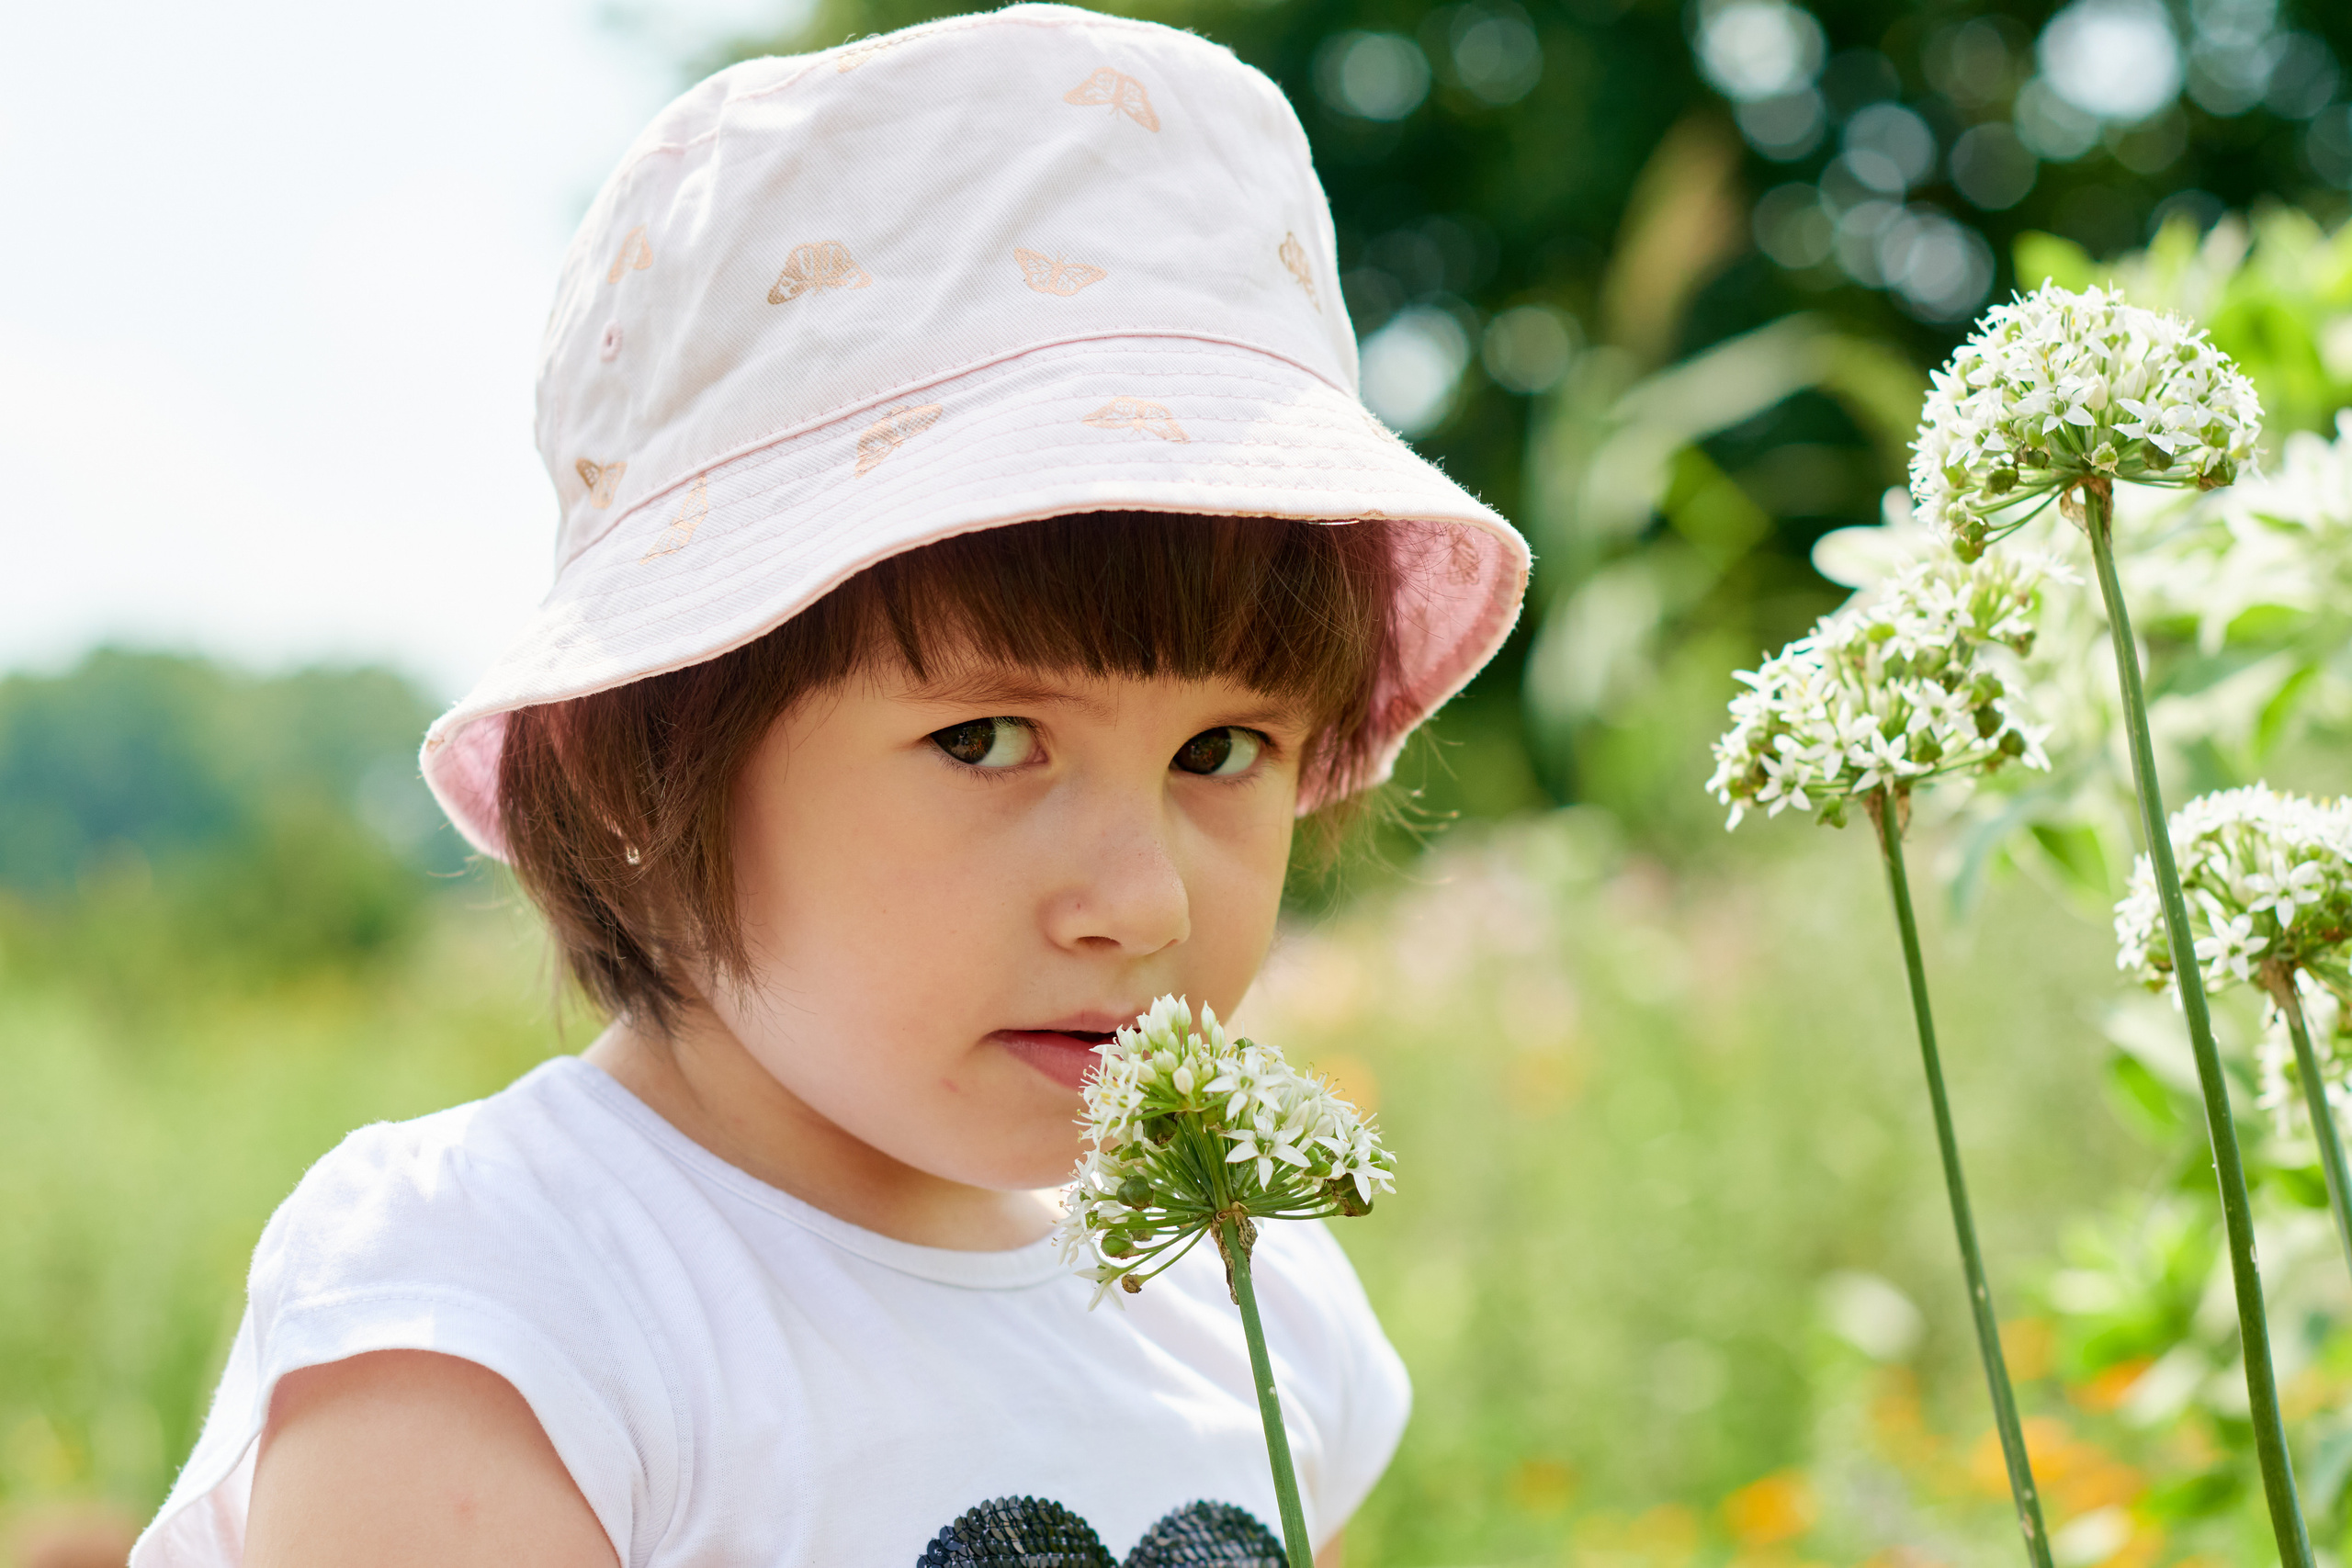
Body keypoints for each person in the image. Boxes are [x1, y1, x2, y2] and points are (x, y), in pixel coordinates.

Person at [132, 5, 1528, 1563]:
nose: (1142, 902)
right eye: (988, 741)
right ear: (637, 766)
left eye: (1224, 751)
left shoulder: (1249, 1300)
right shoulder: (504, 1304)